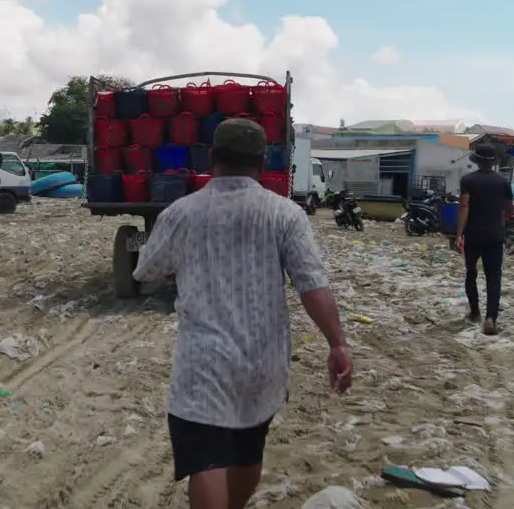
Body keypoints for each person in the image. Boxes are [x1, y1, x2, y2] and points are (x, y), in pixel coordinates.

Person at [132, 118, 352, 509]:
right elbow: (312, 284)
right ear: (263, 161)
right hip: (262, 360)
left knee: (208, 459)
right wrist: (337, 344)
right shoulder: (285, 214)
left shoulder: (181, 213)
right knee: (247, 449)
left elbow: (147, 271)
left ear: (211, 157)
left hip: (204, 364)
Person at [457, 143, 514, 336]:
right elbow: (509, 210)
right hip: (494, 236)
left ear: (477, 161)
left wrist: (459, 234)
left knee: (471, 274)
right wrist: (497, 220)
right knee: (494, 277)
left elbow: (464, 206)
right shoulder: (503, 182)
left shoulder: (468, 180)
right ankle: (491, 318)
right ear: (494, 162)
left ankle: (474, 313)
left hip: (473, 235)